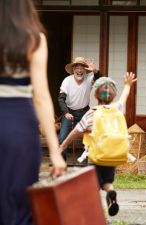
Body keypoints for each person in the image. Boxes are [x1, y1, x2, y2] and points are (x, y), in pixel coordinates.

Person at [0, 1, 67, 224]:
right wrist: (55, 152)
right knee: (19, 198)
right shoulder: (34, 39)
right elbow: (41, 97)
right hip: (18, 123)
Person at [59, 72, 136, 216]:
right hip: (112, 155)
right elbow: (124, 98)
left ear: (95, 96)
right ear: (113, 96)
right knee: (107, 181)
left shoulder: (91, 114)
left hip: (96, 156)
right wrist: (127, 85)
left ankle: (90, 211)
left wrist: (63, 146)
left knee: (92, 184)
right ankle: (111, 193)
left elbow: (75, 131)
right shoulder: (117, 108)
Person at [58, 57, 102, 160]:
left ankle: (93, 163)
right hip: (69, 112)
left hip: (85, 111)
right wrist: (66, 113)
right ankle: (62, 163)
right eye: (76, 68)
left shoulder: (89, 78)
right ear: (73, 70)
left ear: (85, 70)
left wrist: (95, 71)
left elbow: (102, 82)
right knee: (62, 138)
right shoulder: (67, 81)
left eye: (81, 68)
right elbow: (61, 99)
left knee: (95, 135)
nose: (79, 70)